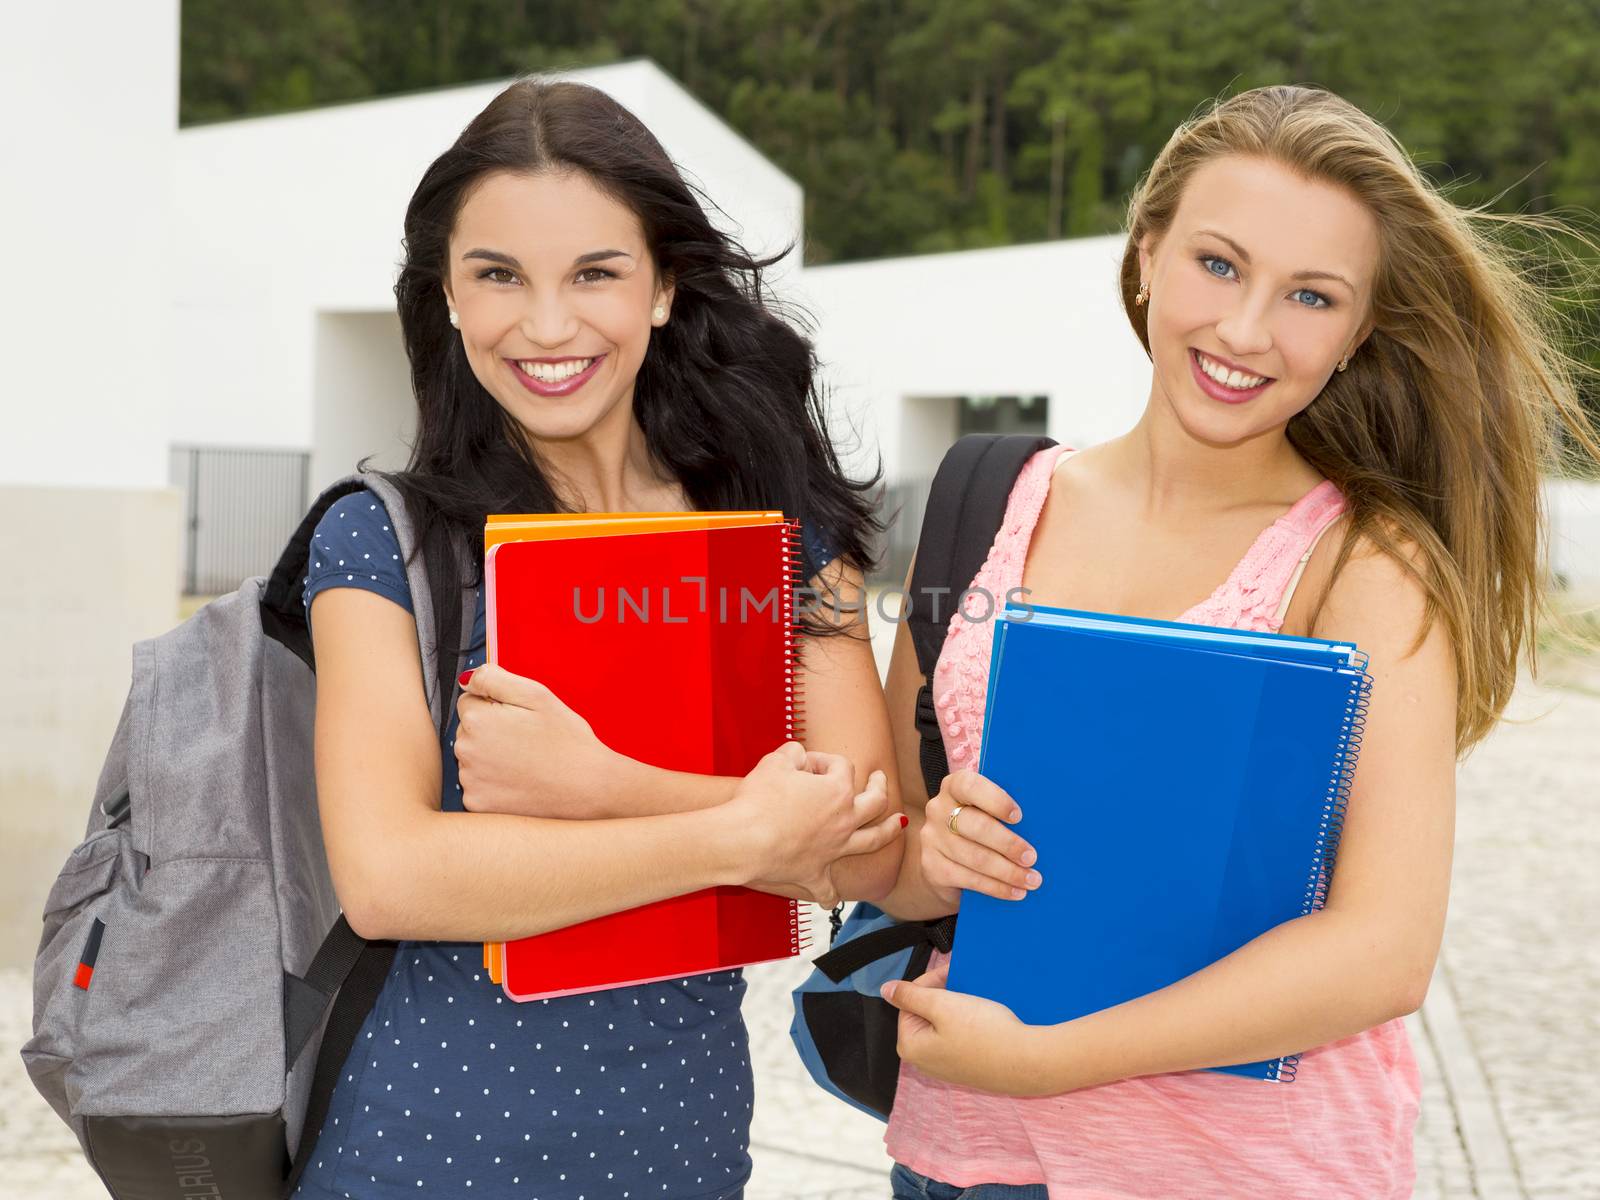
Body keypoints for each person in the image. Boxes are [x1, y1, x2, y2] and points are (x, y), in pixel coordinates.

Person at [874, 83, 1600, 1199]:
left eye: (1310, 295)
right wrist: (929, 856)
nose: (1247, 330)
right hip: (963, 1159)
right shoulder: (984, 497)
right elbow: (893, 859)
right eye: (1217, 264)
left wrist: (1051, 1060)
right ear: (1146, 253)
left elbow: (1383, 950)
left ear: (1359, 331)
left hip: (1249, 1171)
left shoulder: (1368, 563)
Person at [297, 77, 904, 1199]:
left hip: (677, 1151)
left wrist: (606, 783)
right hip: (414, 1157)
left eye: (595, 273)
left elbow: (869, 850)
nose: (546, 325)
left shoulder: (781, 539)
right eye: (497, 276)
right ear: (447, 296)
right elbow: (392, 876)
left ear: (666, 287)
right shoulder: (383, 542)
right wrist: (747, 831)